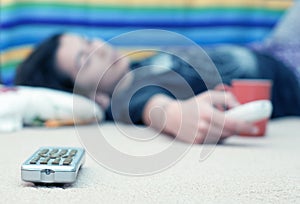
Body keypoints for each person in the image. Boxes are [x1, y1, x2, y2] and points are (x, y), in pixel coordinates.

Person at [14, 2, 300, 144]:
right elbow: (149, 103)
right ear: (96, 98)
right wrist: (175, 114)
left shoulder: (139, 67)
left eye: (89, 41)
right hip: (293, 77)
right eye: (84, 60)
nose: (99, 47)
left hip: (273, 48)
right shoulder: (124, 94)